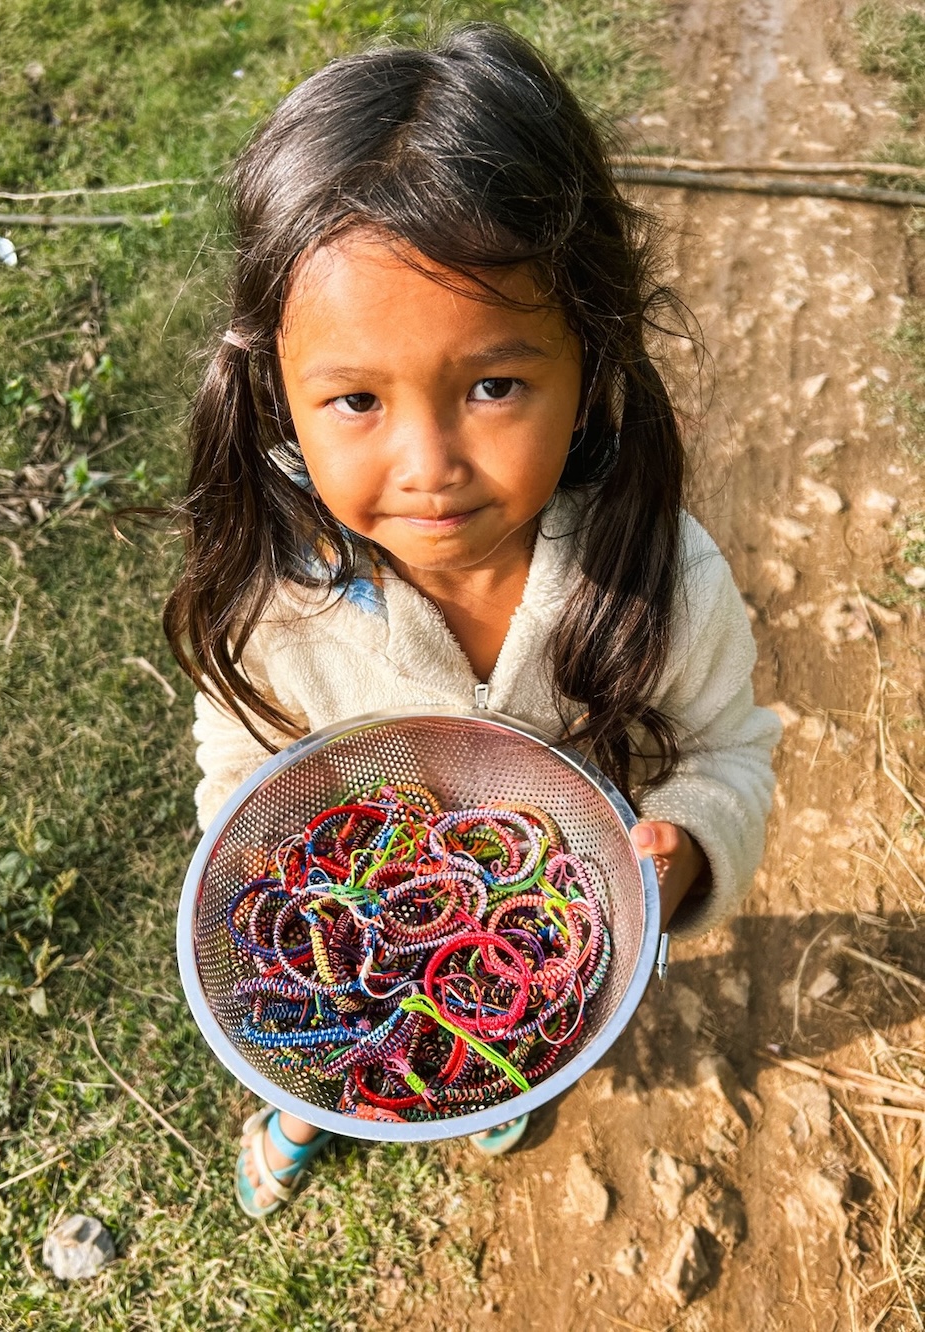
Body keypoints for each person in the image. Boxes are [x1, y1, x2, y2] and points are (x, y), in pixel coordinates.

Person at [163, 23, 781, 1219]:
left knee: (493, 1031)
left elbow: (728, 751)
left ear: (589, 362)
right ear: (276, 391)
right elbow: (239, 757)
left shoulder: (665, 581)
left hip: (539, 922)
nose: (430, 464)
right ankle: (304, 1104)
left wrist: (691, 844)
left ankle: (495, 1084)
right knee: (342, 1034)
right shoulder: (278, 605)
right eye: (355, 399)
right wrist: (254, 859)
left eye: (493, 386)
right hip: (343, 947)